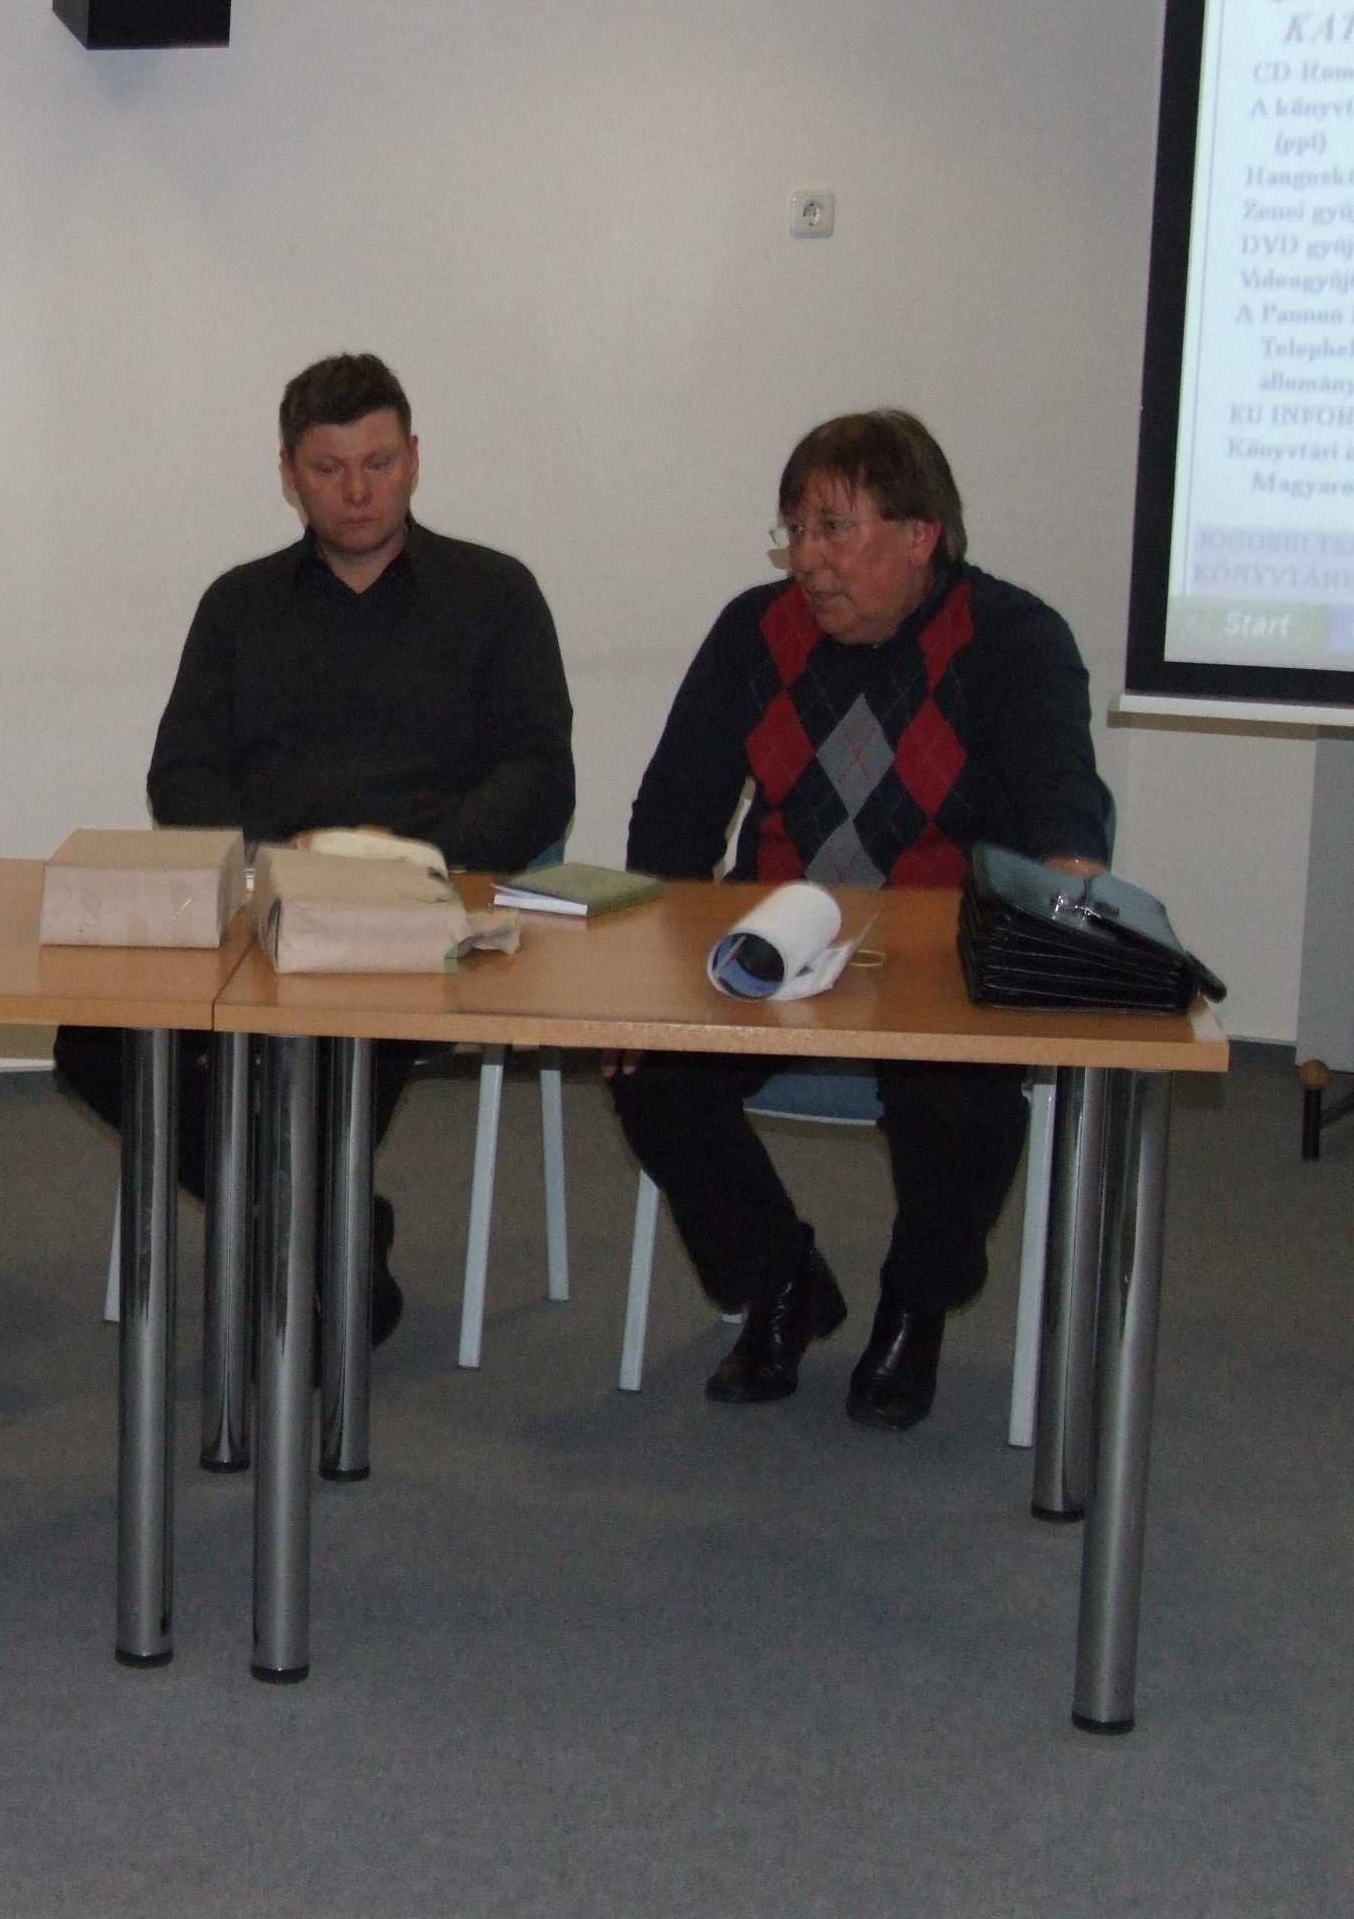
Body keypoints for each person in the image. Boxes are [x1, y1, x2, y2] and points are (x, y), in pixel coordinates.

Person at [54, 352, 575, 1344]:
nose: (358, 491)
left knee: (340, 1031)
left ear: (414, 459)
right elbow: (181, 772)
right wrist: (269, 856)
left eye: (378, 463)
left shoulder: (495, 594)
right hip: (267, 901)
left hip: (424, 911)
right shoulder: (239, 605)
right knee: (90, 1041)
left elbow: (540, 773)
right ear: (290, 475)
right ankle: (328, 1226)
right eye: (330, 469)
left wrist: (416, 857)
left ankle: (301, 1245)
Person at [609, 408, 1112, 1430]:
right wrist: (641, 985)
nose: (807, 559)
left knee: (961, 1105)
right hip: (775, 950)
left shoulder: (1012, 638)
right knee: (649, 1073)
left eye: (835, 528)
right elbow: (672, 818)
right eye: (796, 530)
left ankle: (914, 1306)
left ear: (921, 534)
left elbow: (1065, 809)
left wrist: (1068, 892)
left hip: (937, 963)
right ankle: (782, 1282)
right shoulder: (755, 633)